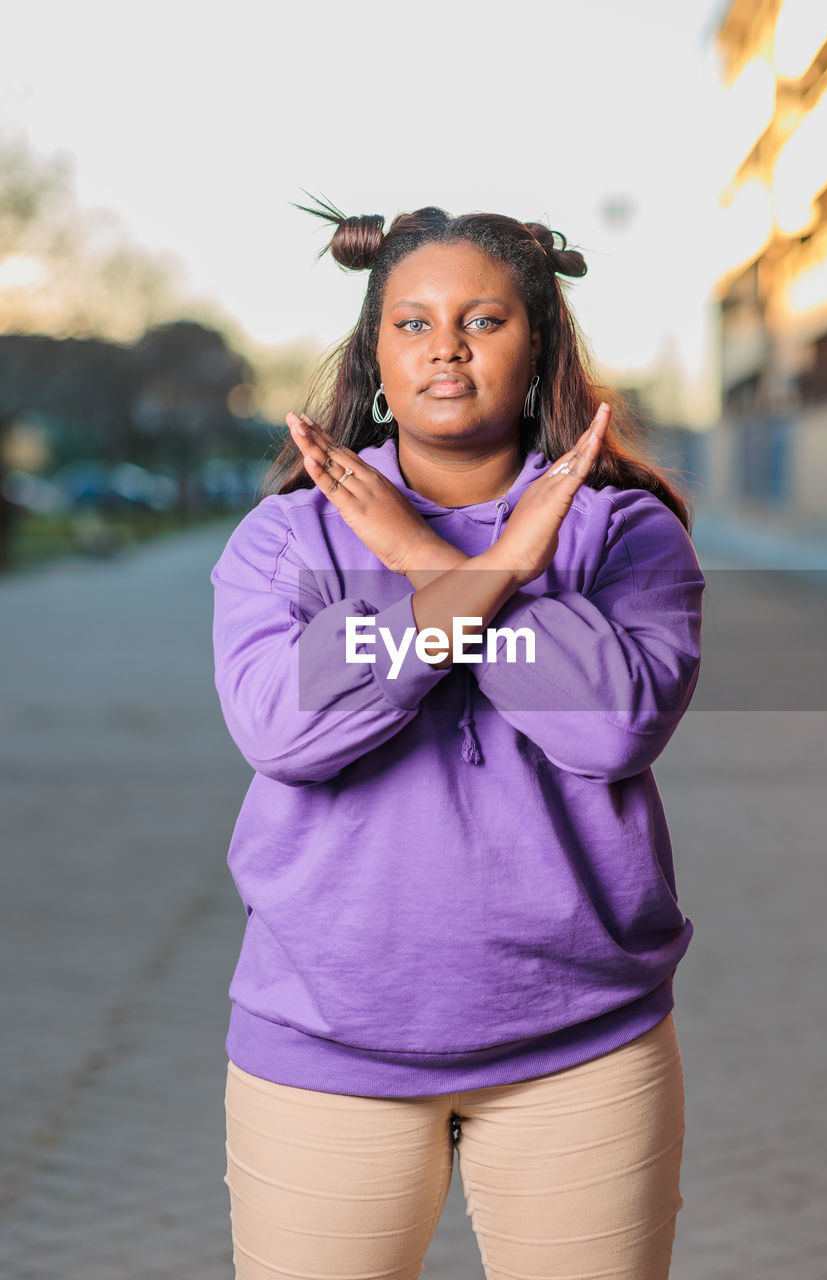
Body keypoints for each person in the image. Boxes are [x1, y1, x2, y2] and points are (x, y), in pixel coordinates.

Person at [210, 199, 706, 1280]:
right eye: (411, 322)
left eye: (482, 320)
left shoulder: (622, 530)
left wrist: (424, 561)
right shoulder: (285, 535)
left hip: (582, 1047)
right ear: (374, 351)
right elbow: (287, 730)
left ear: (537, 349)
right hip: (323, 1047)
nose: (444, 345)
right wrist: (478, 571)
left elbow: (607, 724)